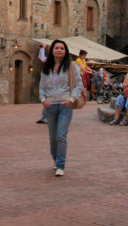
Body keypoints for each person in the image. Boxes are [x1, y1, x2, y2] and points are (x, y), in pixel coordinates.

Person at [38, 39, 83, 177]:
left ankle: (61, 164)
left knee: (61, 135)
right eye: (56, 48)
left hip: (65, 105)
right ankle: (56, 160)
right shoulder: (46, 67)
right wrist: (43, 100)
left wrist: (72, 99)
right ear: (52, 50)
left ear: (65, 51)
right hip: (50, 106)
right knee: (52, 137)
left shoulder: (71, 66)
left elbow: (78, 84)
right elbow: (42, 87)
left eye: (62, 48)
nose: (59, 50)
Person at [36, 44, 50, 123]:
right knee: (46, 99)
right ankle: (45, 117)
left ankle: (46, 117)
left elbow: (42, 58)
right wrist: (42, 48)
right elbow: (42, 58)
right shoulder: (49, 60)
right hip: (47, 83)